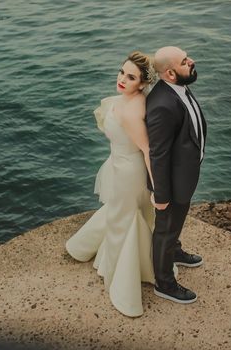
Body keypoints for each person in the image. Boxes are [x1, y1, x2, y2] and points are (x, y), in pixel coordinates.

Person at [65, 51, 160, 317]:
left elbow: (147, 150)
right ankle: (88, 247)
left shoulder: (132, 111)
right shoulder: (127, 99)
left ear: (142, 83)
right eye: (122, 72)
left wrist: (158, 187)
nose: (122, 79)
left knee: (123, 221)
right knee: (122, 215)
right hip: (118, 164)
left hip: (129, 172)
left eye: (131, 77)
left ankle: (124, 286)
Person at [147, 46, 207, 304]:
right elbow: (157, 155)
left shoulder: (178, 86)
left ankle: (175, 252)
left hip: (184, 175)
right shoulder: (161, 105)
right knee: (165, 229)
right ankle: (165, 283)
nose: (192, 61)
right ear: (170, 73)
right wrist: (160, 195)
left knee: (175, 225)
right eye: (185, 61)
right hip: (171, 183)